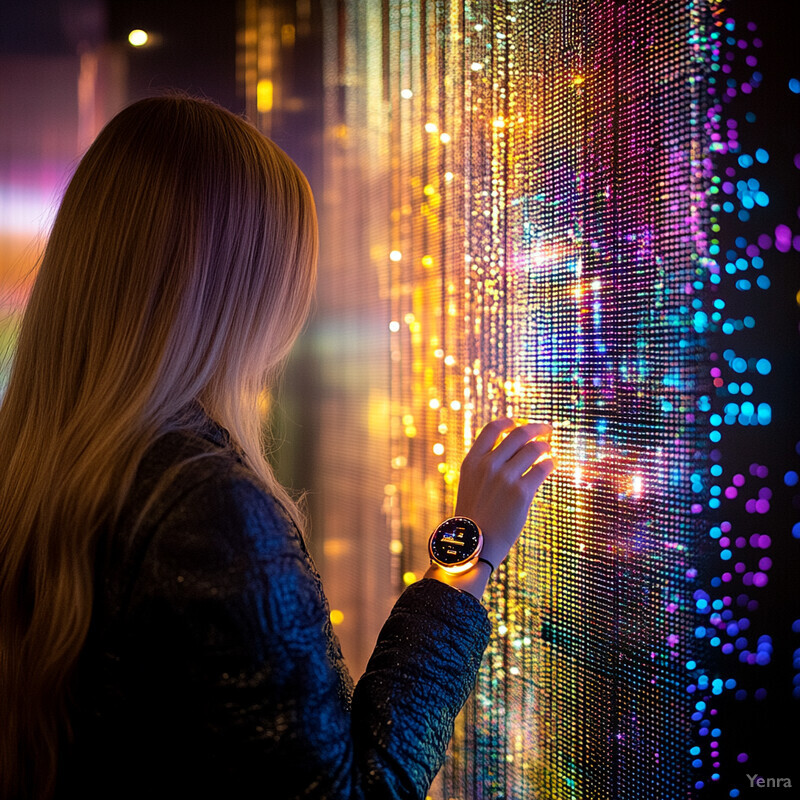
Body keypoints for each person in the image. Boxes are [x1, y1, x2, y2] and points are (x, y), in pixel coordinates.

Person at [0, 96, 556, 800]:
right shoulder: (209, 509)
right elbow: (356, 792)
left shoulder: (44, 470)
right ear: (239, 289)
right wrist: (467, 552)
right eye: (291, 272)